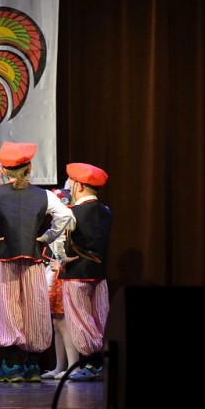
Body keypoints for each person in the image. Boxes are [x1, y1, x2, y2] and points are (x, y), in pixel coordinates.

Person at [0, 142, 74, 382]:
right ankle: (33, 365)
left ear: (3, 170)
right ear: (30, 168)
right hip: (33, 259)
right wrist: (47, 237)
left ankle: (11, 364)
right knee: (34, 307)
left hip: (5, 258)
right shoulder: (43, 195)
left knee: (7, 308)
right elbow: (65, 214)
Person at [59, 163, 113, 382]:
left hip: (76, 274)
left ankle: (91, 363)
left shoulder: (72, 213)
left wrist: (62, 259)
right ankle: (99, 362)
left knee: (80, 319)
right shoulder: (106, 211)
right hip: (98, 274)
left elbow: (65, 244)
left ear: (79, 186)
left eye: (72, 183)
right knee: (99, 317)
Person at [41, 182, 80, 380]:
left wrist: (63, 263)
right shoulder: (56, 228)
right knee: (56, 323)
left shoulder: (72, 225)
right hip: (53, 277)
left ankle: (73, 366)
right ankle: (59, 366)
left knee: (66, 323)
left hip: (66, 278)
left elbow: (77, 253)